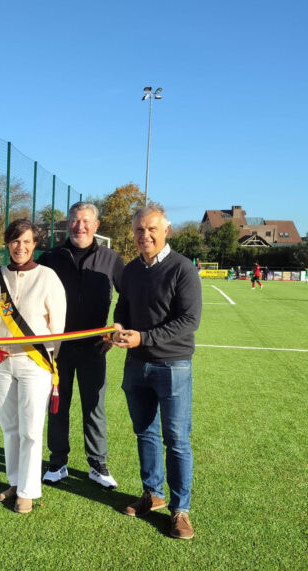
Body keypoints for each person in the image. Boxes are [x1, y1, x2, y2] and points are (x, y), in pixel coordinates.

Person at [112, 204, 202, 540]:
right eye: (138, 230)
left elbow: (189, 321)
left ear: (166, 230)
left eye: (151, 229)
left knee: (176, 439)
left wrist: (144, 337)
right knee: (145, 432)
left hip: (172, 365)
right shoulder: (132, 271)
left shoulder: (182, 269)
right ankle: (154, 494)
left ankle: (181, 510)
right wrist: (119, 328)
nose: (144, 235)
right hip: (136, 364)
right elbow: (122, 308)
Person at [37, 201, 124, 488]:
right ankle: (58, 461)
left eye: (86, 221)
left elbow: (128, 299)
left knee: (94, 406)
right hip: (58, 348)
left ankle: (97, 463)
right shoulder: (50, 257)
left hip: (94, 348)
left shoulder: (111, 258)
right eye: (75, 220)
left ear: (97, 226)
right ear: (67, 223)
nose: (80, 226)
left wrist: (114, 331)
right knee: (58, 405)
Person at [0, 219, 66, 514]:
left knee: (32, 429)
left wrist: (47, 359)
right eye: (14, 241)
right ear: (7, 243)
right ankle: (14, 481)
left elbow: (57, 326)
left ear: (35, 244)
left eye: (26, 241)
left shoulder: (48, 277)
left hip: (35, 363)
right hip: (1, 362)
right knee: (9, 426)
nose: (20, 247)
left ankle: (28, 490)